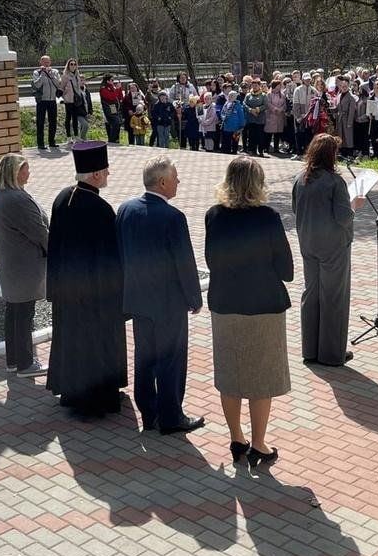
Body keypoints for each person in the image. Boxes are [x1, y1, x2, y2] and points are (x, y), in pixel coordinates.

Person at [204, 156, 293, 470]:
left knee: (231, 374)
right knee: (261, 377)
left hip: (225, 305)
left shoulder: (213, 215)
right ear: (258, 184)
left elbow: (211, 260)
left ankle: (236, 438)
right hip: (263, 306)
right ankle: (259, 443)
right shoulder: (268, 217)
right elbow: (287, 269)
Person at [117, 156, 205, 435]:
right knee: (171, 359)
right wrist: (195, 298)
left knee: (144, 357)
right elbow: (184, 262)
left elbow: (119, 256)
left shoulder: (125, 209)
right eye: (176, 177)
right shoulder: (173, 217)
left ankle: (149, 413)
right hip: (168, 304)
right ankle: (171, 417)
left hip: (138, 300)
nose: (179, 182)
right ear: (163, 182)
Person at [46, 141, 128, 418]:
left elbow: (54, 247)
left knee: (73, 342)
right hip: (95, 294)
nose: (108, 174)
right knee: (96, 345)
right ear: (94, 174)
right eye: (105, 170)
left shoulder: (61, 198)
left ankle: (73, 393)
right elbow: (112, 259)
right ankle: (96, 400)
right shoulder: (101, 210)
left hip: (67, 291)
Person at [291, 134, 365, 368]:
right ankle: (332, 354)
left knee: (311, 294)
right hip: (333, 246)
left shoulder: (300, 178)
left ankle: (310, 350)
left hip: (308, 242)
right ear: (329, 155)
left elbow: (295, 209)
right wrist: (356, 205)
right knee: (334, 297)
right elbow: (343, 217)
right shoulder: (335, 182)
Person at [0, 153, 49, 378]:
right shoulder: (17, 199)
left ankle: (12, 360)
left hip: (10, 262)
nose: (29, 172)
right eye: (25, 169)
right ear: (15, 172)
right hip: (25, 265)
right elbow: (39, 231)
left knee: (13, 311)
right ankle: (25, 364)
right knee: (24, 313)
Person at [32, 56, 62, 151]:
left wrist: (51, 75)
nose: (46, 64)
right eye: (44, 62)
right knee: (40, 122)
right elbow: (37, 84)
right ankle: (40, 144)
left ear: (50, 62)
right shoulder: (37, 72)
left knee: (53, 122)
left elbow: (59, 84)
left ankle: (52, 142)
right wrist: (43, 75)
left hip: (52, 100)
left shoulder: (55, 72)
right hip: (41, 101)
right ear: (40, 63)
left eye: (47, 62)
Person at [59, 59, 86, 144]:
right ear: (68, 65)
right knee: (68, 118)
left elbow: (78, 87)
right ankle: (68, 137)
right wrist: (65, 97)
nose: (73, 66)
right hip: (69, 100)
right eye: (71, 64)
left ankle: (76, 136)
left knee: (75, 118)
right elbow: (61, 88)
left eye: (75, 64)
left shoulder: (77, 75)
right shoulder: (65, 76)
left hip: (76, 100)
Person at [99, 75, 124, 144]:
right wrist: (117, 89)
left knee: (118, 123)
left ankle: (116, 139)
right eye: (112, 80)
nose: (113, 82)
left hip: (115, 108)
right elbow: (111, 97)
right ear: (107, 81)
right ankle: (111, 140)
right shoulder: (103, 89)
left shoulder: (112, 88)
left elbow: (119, 97)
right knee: (115, 123)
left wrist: (119, 89)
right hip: (108, 109)